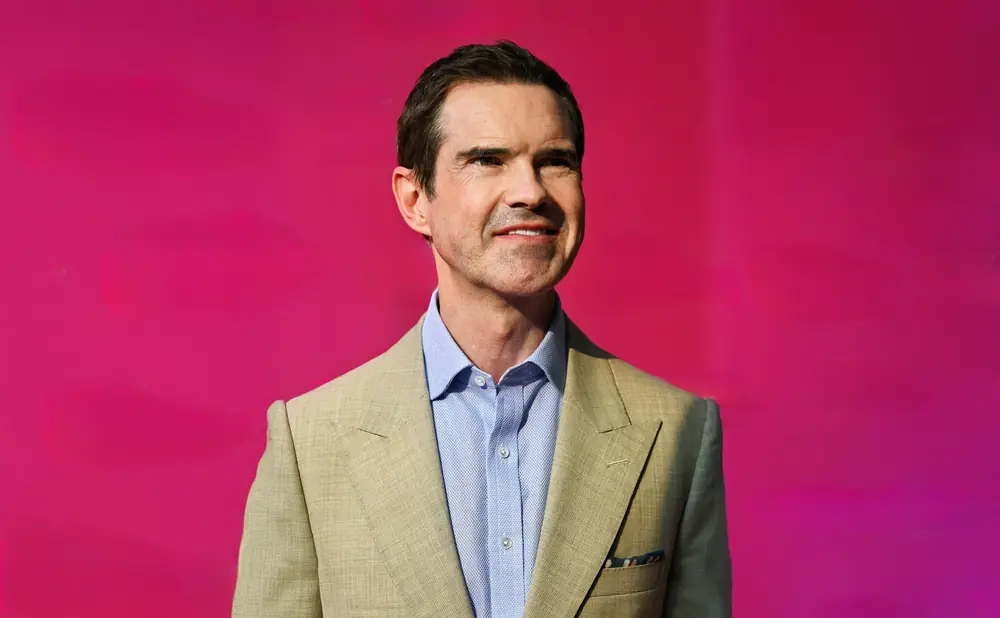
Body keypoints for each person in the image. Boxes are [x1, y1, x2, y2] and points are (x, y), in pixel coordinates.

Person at [232, 40, 732, 618]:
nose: (530, 191)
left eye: (556, 161)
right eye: (487, 160)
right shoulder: (310, 441)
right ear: (415, 198)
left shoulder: (677, 432)